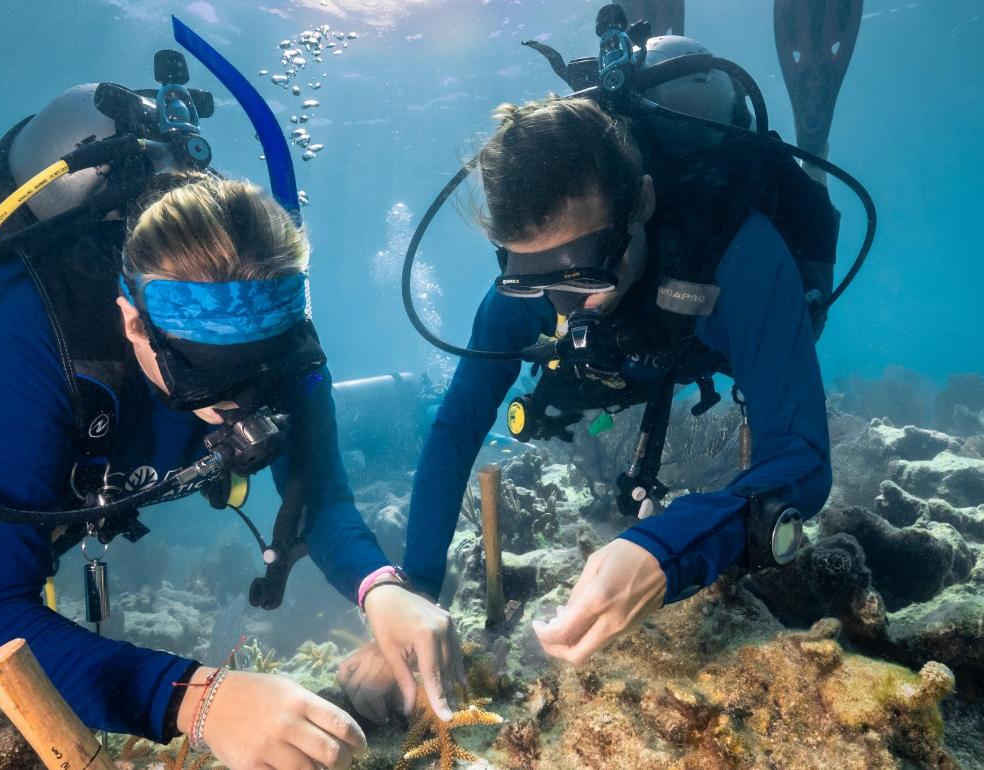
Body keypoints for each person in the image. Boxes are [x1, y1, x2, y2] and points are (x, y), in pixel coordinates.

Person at [0, 79, 461, 769]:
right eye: (208, 381)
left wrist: (383, 590)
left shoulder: (275, 330)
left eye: (267, 374)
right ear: (131, 323)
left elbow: (321, 499)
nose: (244, 407)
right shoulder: (17, 338)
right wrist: (200, 700)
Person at [339, 19, 868, 715]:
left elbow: (800, 458)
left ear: (641, 205)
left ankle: (809, 151)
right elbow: (457, 425)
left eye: (584, 267)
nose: (565, 302)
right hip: (645, 344)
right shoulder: (522, 291)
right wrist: (415, 590)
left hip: (713, 320)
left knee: (801, 320)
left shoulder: (740, 252)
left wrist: (663, 548)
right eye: (530, 276)